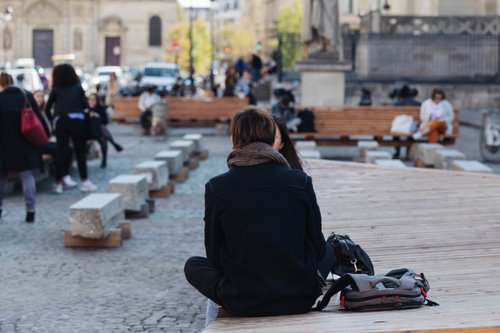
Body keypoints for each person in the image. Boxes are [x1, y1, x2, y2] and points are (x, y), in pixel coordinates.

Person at [184, 106, 334, 318]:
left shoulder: (217, 188)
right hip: (299, 297)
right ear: (273, 139)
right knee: (331, 248)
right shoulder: (299, 181)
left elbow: (214, 256)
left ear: (234, 140)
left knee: (193, 265)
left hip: (244, 300)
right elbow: (318, 248)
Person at [0, 73, 49, 222]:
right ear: (13, 82)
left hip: (3, 145)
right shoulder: (26, 96)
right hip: (24, 143)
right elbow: (38, 117)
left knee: (0, 178)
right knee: (27, 176)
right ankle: (30, 211)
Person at [45, 64, 98, 192]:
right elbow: (85, 106)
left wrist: (53, 119)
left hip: (61, 121)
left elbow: (47, 108)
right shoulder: (77, 88)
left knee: (60, 152)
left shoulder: (56, 89)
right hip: (77, 121)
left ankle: (58, 183)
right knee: (80, 152)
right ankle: (84, 181)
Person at [34, 90, 77, 194]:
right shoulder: (33, 113)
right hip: (37, 143)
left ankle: (64, 176)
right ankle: (59, 182)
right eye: (37, 96)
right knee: (58, 150)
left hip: (48, 140)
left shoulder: (44, 112)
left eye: (41, 96)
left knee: (68, 148)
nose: (40, 99)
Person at [87, 93, 123, 168]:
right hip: (88, 131)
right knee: (102, 130)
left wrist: (97, 116)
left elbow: (105, 121)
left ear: (97, 100)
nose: (91, 101)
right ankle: (113, 143)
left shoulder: (100, 108)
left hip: (97, 131)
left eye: (93, 99)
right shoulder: (85, 108)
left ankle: (104, 160)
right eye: (90, 99)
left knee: (103, 138)